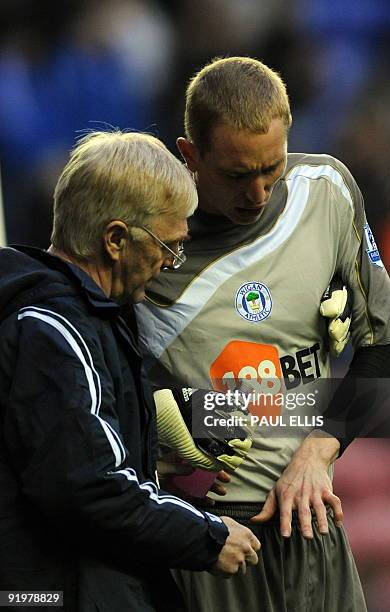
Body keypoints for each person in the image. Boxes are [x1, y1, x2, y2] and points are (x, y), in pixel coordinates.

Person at [137, 57, 390, 611]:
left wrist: (318, 450)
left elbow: (385, 351)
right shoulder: (148, 241)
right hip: (204, 537)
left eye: (272, 168)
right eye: (238, 175)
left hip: (312, 519)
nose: (259, 192)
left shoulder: (326, 191)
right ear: (190, 156)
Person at [0, 130, 261, 612]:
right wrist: (206, 536)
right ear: (116, 239)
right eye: (168, 245)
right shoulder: (54, 330)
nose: (169, 262)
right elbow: (86, 487)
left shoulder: (86, 319)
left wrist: (153, 462)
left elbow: (63, 458)